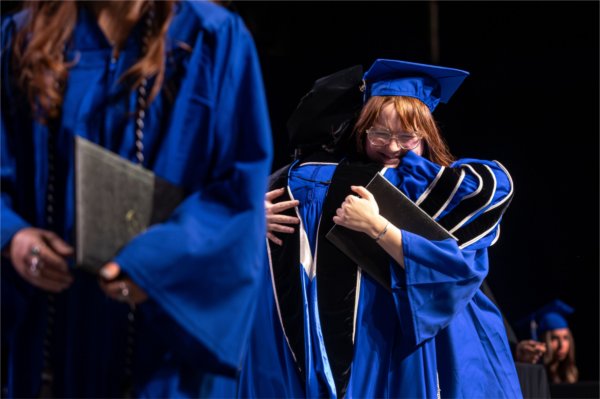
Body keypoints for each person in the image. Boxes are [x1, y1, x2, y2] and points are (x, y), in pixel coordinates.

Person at [1, 1, 272, 397]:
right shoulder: (22, 37)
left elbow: (236, 189)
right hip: (52, 329)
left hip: (163, 339)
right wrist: (14, 238)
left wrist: (155, 263)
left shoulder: (211, 37)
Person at [240, 59, 522, 398]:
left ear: (427, 135)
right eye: (380, 134)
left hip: (440, 335)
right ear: (362, 130)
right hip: (370, 340)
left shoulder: (440, 186)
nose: (391, 147)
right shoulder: (333, 178)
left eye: (406, 137)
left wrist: (377, 226)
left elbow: (456, 266)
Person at [516, 299, 579, 384]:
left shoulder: (571, 373)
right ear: (543, 340)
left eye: (565, 338)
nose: (561, 345)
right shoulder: (533, 374)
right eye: (554, 338)